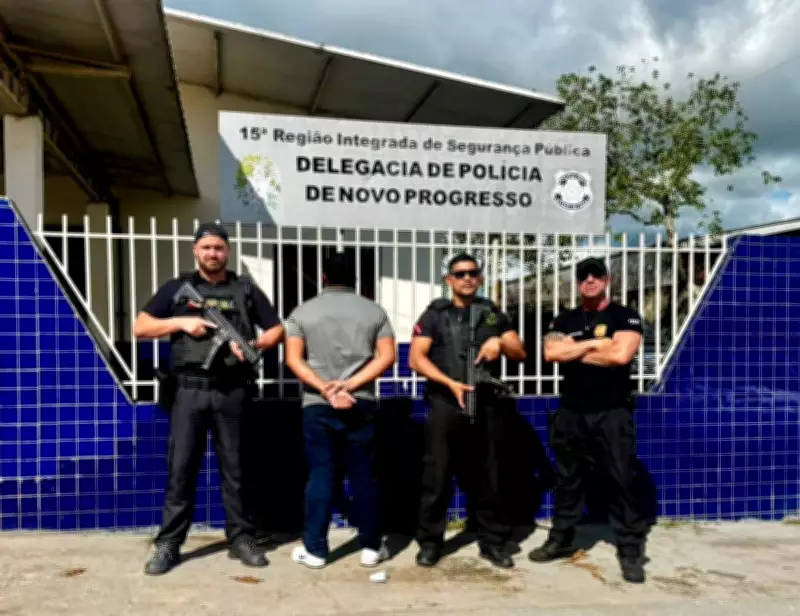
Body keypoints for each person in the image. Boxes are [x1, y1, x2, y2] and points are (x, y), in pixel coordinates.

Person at [133, 222, 284, 575]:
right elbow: (140, 327)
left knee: (236, 469)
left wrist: (254, 345)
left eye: (218, 248)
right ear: (195, 251)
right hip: (189, 391)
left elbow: (276, 328)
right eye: (206, 248)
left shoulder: (245, 289)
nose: (212, 254)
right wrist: (180, 323)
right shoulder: (177, 289)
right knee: (181, 468)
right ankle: (169, 543)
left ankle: (241, 539)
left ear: (227, 251)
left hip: (233, 390)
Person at [527, 256, 649, 584]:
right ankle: (561, 539)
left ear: (607, 280)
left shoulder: (625, 316)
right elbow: (551, 354)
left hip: (612, 413)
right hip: (572, 413)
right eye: (583, 276)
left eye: (596, 275)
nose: (590, 280)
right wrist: (596, 343)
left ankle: (630, 551)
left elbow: (621, 355)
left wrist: (575, 349)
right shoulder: (564, 318)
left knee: (621, 480)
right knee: (568, 480)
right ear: (578, 283)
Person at [409, 253, 526, 569]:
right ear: (449, 280)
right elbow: (416, 359)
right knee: (436, 477)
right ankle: (430, 543)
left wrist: (499, 343)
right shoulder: (435, 315)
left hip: (486, 404)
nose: (467, 278)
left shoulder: (491, 314)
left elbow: (519, 351)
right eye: (460, 274)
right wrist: (450, 383)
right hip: (446, 403)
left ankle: (493, 542)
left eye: (472, 273)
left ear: (480, 278)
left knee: (491, 476)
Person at [283, 252, 396, 569]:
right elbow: (387, 357)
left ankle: (316, 550)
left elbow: (293, 359)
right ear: (355, 279)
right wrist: (350, 386)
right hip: (361, 403)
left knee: (321, 475)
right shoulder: (374, 311)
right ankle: (371, 547)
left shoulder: (302, 312)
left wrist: (327, 389)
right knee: (364, 476)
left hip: (318, 404)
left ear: (324, 278)